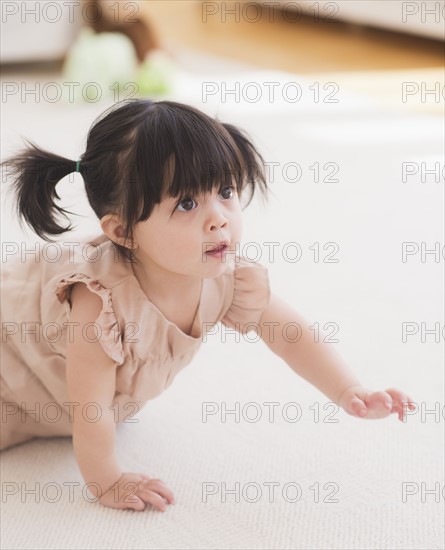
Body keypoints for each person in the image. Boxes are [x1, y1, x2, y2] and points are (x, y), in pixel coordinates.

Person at [0, 99, 414, 512]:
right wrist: (107, 481)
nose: (219, 218)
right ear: (123, 231)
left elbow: (290, 335)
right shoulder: (98, 303)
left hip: (57, 402)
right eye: (186, 204)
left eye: (226, 191)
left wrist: (349, 390)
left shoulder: (226, 275)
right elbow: (90, 410)